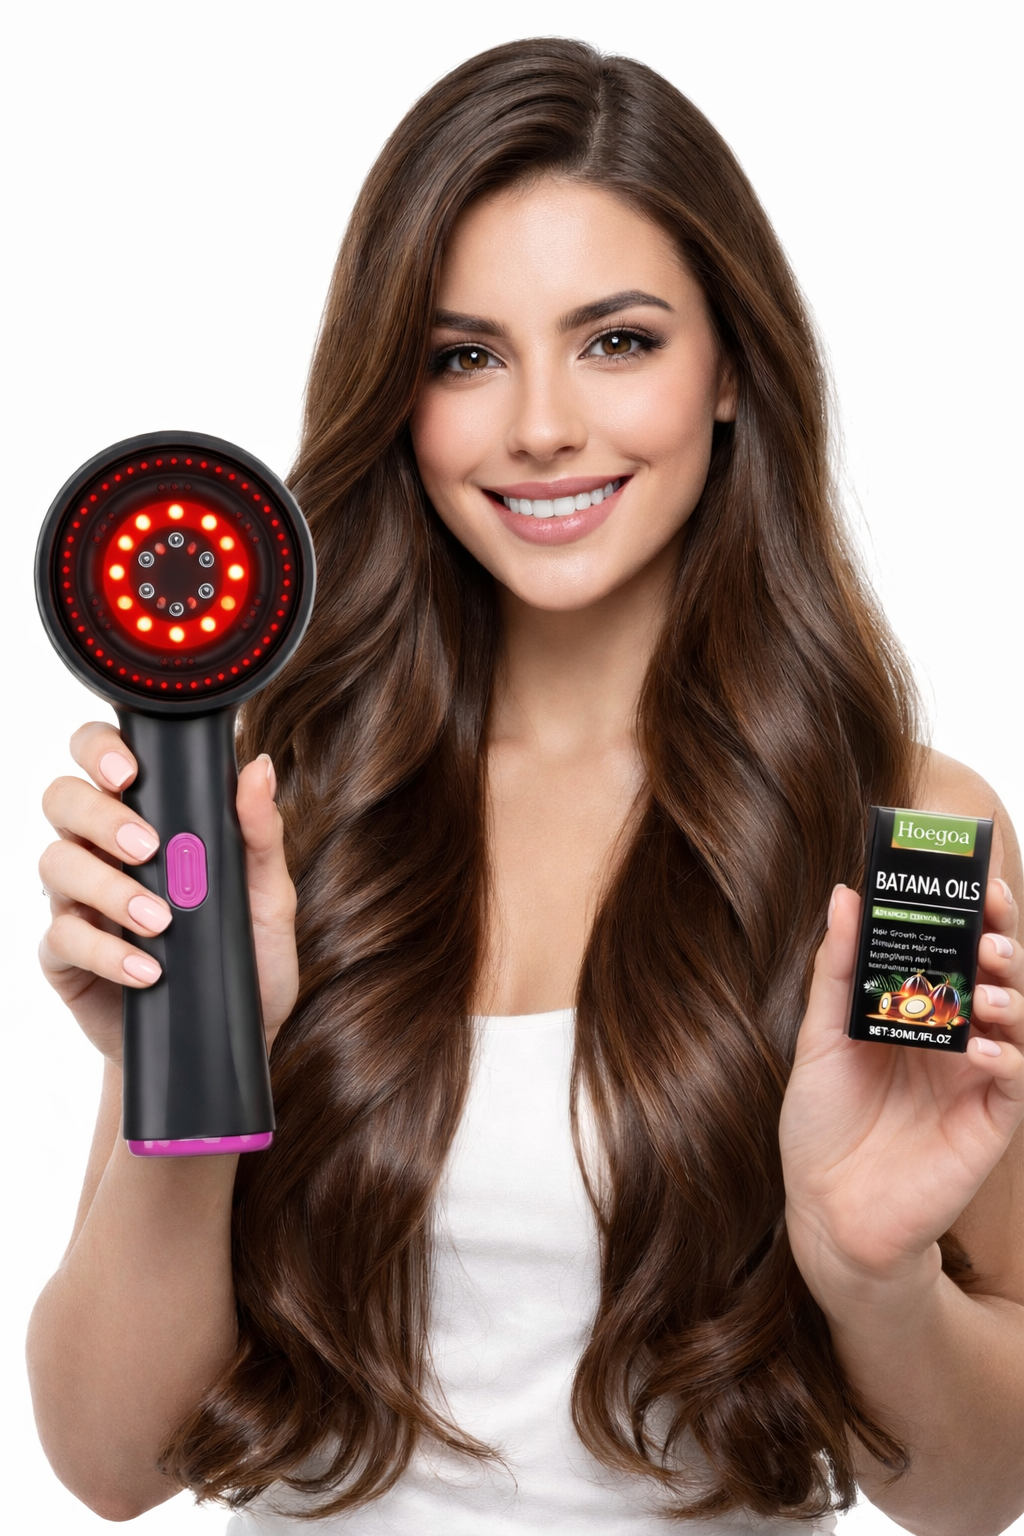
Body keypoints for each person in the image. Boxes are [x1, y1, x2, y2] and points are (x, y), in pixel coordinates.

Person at [27, 38, 1023, 1536]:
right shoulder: (264, 814)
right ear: (399, 394)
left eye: (618, 340)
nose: (542, 423)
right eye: (464, 355)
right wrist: (194, 1068)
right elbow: (111, 1464)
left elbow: (979, 1494)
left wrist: (871, 1278)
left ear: (734, 366)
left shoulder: (915, 838)